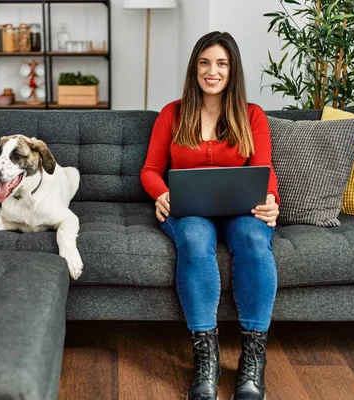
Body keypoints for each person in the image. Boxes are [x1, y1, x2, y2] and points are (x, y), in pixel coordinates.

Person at [140, 31, 280, 400]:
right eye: (204, 63)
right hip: (188, 210)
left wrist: (270, 198)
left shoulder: (252, 115)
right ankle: (206, 358)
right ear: (194, 68)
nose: (212, 71)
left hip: (242, 210)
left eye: (221, 63)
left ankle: (252, 360)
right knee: (195, 239)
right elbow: (150, 169)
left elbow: (264, 168)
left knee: (252, 239)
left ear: (232, 69)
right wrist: (162, 194)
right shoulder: (173, 113)